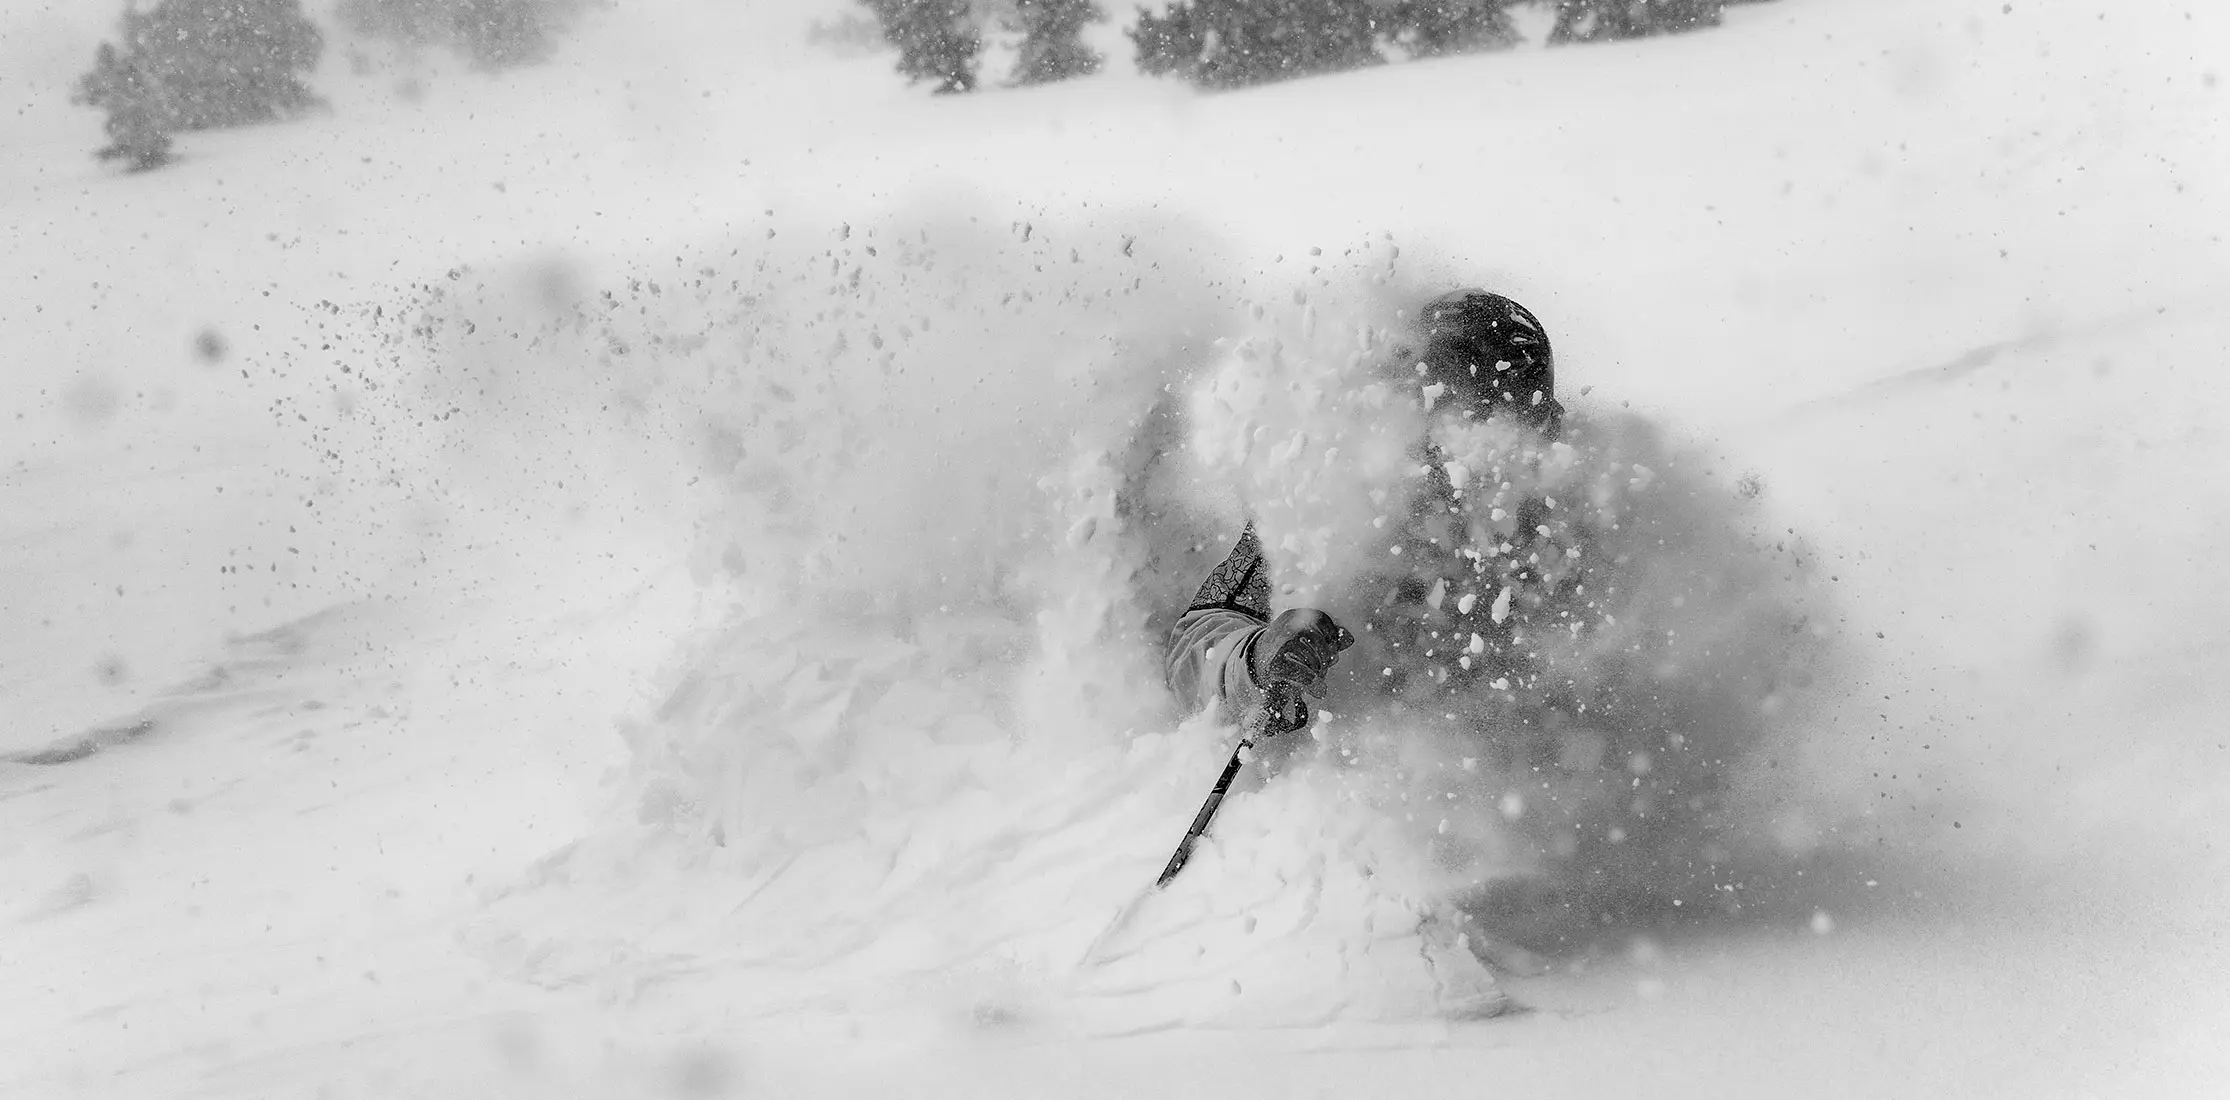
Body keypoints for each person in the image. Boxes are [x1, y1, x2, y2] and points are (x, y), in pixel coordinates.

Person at [1164, 289, 1563, 733]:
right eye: (1463, 423)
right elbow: (1195, 644)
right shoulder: (1335, 505)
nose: (1486, 455)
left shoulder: (1565, 525)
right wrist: (1257, 659)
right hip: (1358, 772)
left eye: (1512, 428)